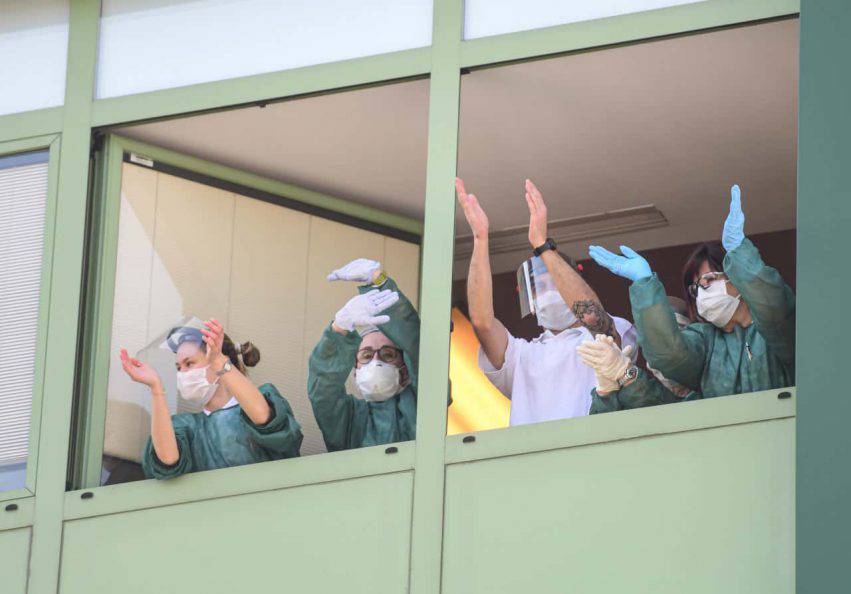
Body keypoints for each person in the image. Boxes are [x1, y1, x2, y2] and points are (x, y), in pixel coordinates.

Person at [456, 177, 637, 426]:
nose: (548, 293)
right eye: (539, 287)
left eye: (555, 283)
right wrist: (480, 240)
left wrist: (542, 246)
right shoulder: (521, 355)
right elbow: (482, 322)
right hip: (530, 452)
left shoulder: (611, 333)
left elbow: (591, 315)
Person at [588, 184, 795, 398]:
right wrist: (644, 284)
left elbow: (773, 308)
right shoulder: (705, 341)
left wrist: (740, 253)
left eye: (709, 280)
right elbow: (669, 354)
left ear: (736, 277)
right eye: (695, 288)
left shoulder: (779, 329)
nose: (702, 292)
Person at [120, 319, 302, 480]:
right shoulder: (187, 427)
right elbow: (169, 459)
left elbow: (264, 419)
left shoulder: (262, 401)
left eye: (189, 363)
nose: (183, 374)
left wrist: (219, 362)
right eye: (179, 368)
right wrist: (156, 389)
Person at [308, 259, 419, 451]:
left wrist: (379, 281)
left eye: (388, 354)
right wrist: (339, 328)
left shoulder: (419, 405)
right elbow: (323, 391)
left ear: (405, 369)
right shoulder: (348, 419)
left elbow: (417, 347)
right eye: (366, 356)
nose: (376, 361)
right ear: (355, 370)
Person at [581, 297, 699, 414]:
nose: (663, 344)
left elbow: (670, 412)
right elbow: (599, 424)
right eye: (652, 336)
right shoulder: (628, 388)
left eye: (672, 334)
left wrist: (627, 375)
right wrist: (605, 393)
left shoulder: (704, 382)